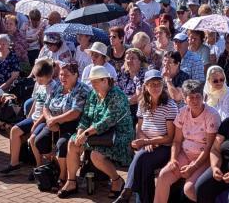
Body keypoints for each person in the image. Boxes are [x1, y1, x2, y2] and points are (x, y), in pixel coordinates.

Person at [57, 66, 134, 199]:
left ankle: (117, 180)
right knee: (72, 143)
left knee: (96, 155)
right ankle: (71, 182)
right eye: (92, 82)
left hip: (118, 135)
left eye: (96, 81)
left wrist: (85, 134)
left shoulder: (117, 95)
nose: (93, 85)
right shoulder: (93, 94)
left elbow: (107, 121)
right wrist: (81, 130)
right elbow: (86, 115)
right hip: (97, 134)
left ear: (105, 80)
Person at [114, 70, 178, 203]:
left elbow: (170, 137)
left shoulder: (170, 106)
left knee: (141, 157)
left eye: (158, 83)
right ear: (146, 86)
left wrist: (148, 141)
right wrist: (145, 142)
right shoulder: (143, 104)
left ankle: (127, 191)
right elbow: (139, 127)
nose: (155, 87)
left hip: (164, 147)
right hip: (147, 145)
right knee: (144, 164)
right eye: (152, 84)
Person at [154, 80, 219, 203]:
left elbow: (210, 146)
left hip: (204, 158)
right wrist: (173, 159)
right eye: (191, 97)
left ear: (203, 96)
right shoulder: (183, 112)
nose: (194, 101)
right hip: (185, 154)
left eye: (198, 97)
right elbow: (177, 141)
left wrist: (194, 167)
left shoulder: (212, 115)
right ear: (184, 99)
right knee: (163, 175)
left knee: (189, 188)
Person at [32, 61, 90, 184]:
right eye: (61, 75)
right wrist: (49, 120)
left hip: (73, 125)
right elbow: (46, 106)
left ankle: (63, 176)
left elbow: (75, 112)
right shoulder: (58, 86)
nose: (63, 78)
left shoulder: (81, 89)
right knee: (39, 141)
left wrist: (55, 120)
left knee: (61, 145)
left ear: (76, 75)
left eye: (67, 75)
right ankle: (56, 164)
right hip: (53, 123)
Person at [0, 59, 57, 174]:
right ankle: (14, 162)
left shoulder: (54, 87)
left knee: (33, 139)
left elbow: (47, 110)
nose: (37, 80)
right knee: (15, 130)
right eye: (36, 77)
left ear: (48, 76)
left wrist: (34, 124)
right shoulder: (38, 84)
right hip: (34, 118)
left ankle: (39, 166)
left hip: (44, 120)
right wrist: (29, 118)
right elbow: (35, 102)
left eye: (40, 78)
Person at [116, 48, 147, 123]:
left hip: (137, 109)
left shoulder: (144, 75)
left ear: (140, 61)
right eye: (127, 58)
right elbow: (116, 92)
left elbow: (139, 96)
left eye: (133, 58)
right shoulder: (122, 74)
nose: (129, 61)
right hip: (121, 107)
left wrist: (124, 101)